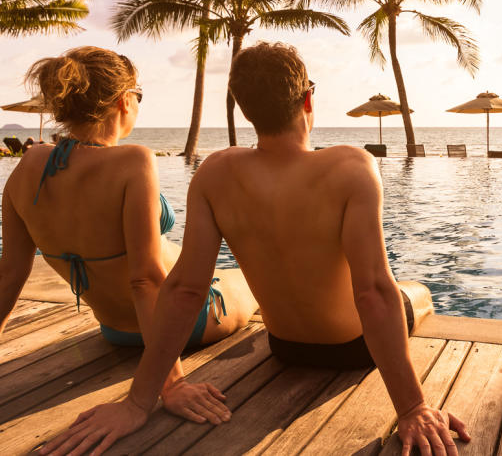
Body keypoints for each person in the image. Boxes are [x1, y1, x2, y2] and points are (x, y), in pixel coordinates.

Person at [44, 42, 469, 456]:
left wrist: (139, 402)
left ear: (244, 108)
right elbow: (372, 292)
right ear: (307, 99)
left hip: (284, 345)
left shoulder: (215, 172)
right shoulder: (350, 166)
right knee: (415, 291)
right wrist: (413, 408)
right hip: (352, 351)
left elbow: (185, 290)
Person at [0, 46, 256, 426]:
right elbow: (145, 280)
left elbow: (9, 274)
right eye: (139, 96)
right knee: (251, 277)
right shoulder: (135, 161)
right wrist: (171, 386)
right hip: (184, 325)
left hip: (115, 331)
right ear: (123, 100)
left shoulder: (29, 165)